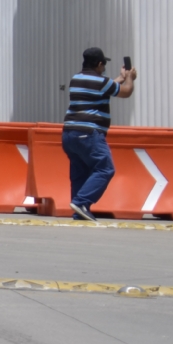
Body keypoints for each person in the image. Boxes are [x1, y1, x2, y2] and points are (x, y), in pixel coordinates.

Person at [63, 46, 136, 221]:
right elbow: (126, 92)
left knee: (80, 171)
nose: (104, 68)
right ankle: (82, 202)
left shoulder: (76, 79)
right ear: (99, 63)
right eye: (103, 65)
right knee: (105, 169)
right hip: (89, 133)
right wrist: (130, 79)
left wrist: (121, 78)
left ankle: (79, 209)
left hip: (69, 134)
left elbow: (106, 86)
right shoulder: (102, 82)